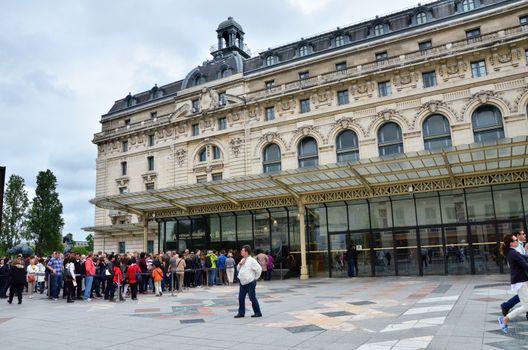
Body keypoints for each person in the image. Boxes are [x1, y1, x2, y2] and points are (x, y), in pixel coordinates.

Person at [498, 233, 528, 333]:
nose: (517, 241)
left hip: (522, 280)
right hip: (521, 281)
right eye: (515, 240)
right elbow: (524, 265)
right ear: (511, 243)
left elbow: (524, 257)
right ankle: (505, 319)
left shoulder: (512, 252)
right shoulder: (513, 253)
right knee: (526, 306)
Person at [234, 245, 262, 318]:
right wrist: (240, 264)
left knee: (252, 298)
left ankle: (258, 312)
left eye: (242, 251)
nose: (241, 252)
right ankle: (241, 313)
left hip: (250, 282)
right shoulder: (242, 259)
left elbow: (259, 269)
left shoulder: (252, 260)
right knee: (241, 297)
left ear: (246, 252)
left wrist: (255, 278)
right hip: (242, 282)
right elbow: (237, 268)